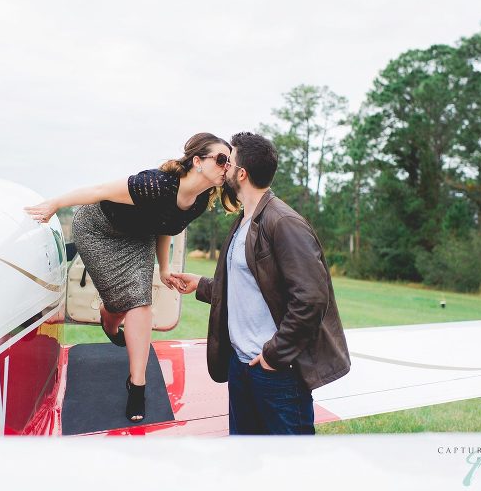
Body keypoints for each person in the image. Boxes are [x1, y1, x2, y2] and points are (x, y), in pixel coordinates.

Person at [24, 133, 236, 423]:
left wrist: (163, 268)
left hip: (138, 238)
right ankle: (108, 317)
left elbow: (166, 226)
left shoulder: (198, 201)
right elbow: (99, 190)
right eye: (222, 159)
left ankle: (137, 385)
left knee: (139, 303)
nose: (227, 166)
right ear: (197, 161)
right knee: (118, 303)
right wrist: (55, 204)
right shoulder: (155, 184)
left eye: (230, 161)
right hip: (98, 229)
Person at [172, 132, 351, 435]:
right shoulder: (246, 219)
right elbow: (250, 288)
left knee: (288, 468)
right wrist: (201, 284)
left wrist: (273, 355)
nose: (223, 167)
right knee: (246, 466)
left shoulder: (283, 221)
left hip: (277, 373)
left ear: (241, 174)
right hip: (242, 367)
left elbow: (311, 298)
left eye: (228, 161)